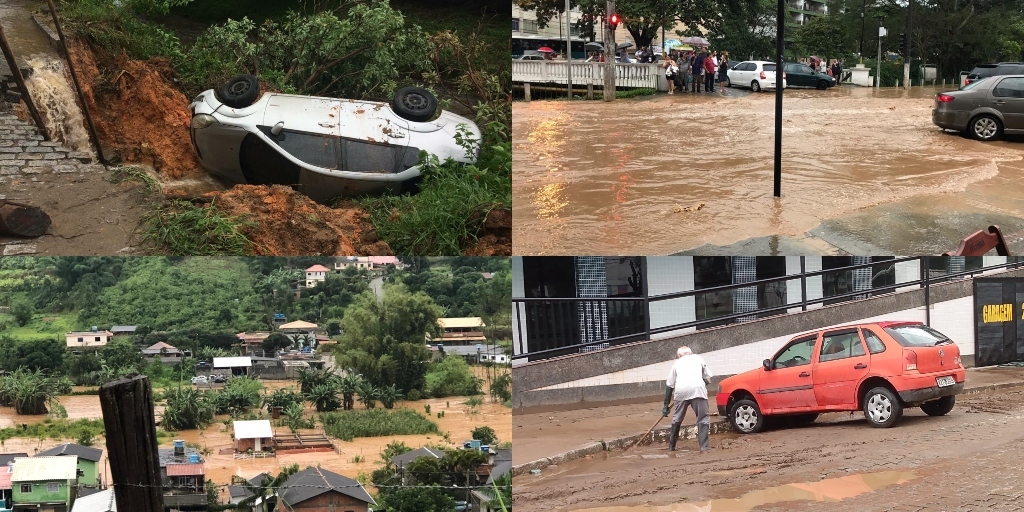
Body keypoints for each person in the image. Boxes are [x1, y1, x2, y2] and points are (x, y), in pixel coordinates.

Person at [662, 346, 714, 452]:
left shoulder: (677, 363)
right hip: (698, 390)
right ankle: (704, 447)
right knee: (703, 418)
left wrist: (665, 406)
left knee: (677, 418)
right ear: (691, 352)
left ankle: (671, 447)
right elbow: (708, 379)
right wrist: (698, 385)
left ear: (679, 355)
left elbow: (669, 385)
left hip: (681, 391)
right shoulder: (698, 358)